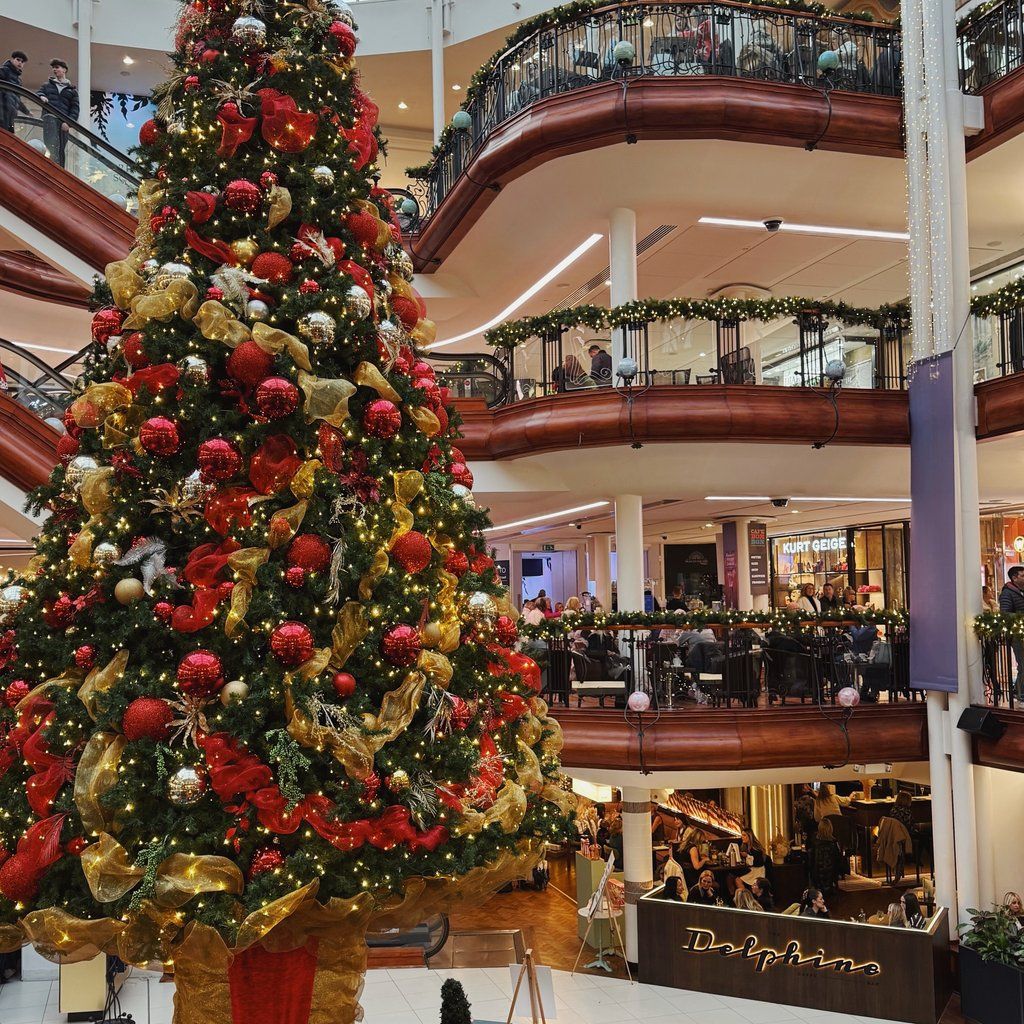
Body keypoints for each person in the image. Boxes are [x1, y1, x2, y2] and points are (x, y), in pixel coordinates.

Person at [37, 58, 79, 168]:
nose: (54, 70)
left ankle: (59, 171)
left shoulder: (72, 91)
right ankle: (51, 170)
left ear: (64, 70)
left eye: (57, 67)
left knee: (61, 149)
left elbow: (75, 109)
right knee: (51, 146)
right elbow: (39, 93)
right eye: (53, 68)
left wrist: (68, 123)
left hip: (63, 123)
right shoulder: (47, 85)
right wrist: (41, 96)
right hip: (49, 119)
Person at [1000, 566, 1024, 699]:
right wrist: (1021, 617)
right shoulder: (1007, 593)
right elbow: (1005, 614)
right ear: (1014, 578)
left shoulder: (1021, 591)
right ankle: (1021, 693)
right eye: (1023, 575)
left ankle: (1018, 690)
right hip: (1017, 635)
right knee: (1023, 664)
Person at [809, 816, 844, 896]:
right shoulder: (834, 843)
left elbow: (811, 861)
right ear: (830, 828)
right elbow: (838, 860)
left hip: (817, 876)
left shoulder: (814, 842)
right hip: (831, 875)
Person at [0, 51, 28, 133]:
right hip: (2, 111)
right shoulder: (4, 70)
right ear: (12, 59)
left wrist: (27, 111)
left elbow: (17, 99)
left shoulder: (18, 80)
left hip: (11, 115)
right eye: (18, 60)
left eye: (22, 62)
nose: (20, 63)